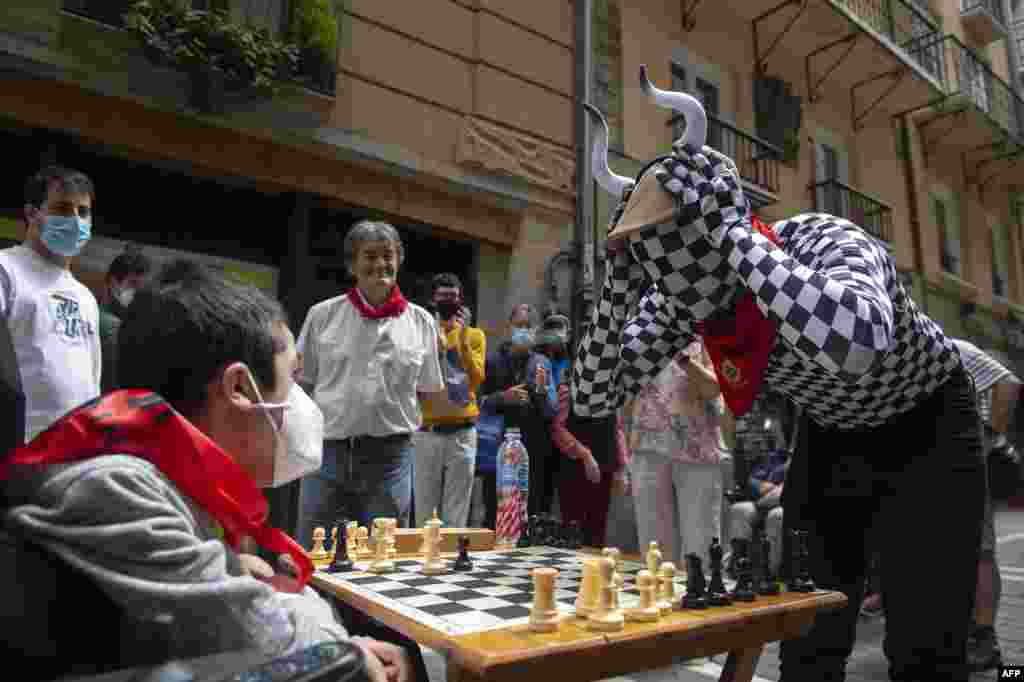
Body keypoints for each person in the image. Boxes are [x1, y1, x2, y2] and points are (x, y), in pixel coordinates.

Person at [574, 88, 986, 681]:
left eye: (675, 245)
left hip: (927, 426)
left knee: (926, 648)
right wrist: (616, 291)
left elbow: (857, 343)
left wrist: (736, 238)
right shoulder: (683, 302)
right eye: (650, 258)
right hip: (832, 438)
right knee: (805, 643)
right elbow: (593, 398)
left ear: (719, 219)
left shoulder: (822, 239)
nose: (667, 275)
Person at [0, 260, 410, 682]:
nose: (304, 404)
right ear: (238, 388)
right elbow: (286, 644)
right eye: (294, 378)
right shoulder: (117, 490)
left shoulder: (166, 484)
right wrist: (322, 624)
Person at [296, 220, 444, 539]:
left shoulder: (421, 323)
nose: (380, 264)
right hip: (327, 456)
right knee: (314, 553)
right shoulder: (322, 316)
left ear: (399, 260)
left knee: (384, 560)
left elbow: (430, 393)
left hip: (391, 461)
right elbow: (301, 386)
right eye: (370, 255)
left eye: (388, 255)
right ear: (352, 265)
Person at [0, 166, 101, 442]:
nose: (75, 221)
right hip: (19, 449)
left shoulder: (85, 297)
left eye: (83, 212)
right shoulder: (6, 269)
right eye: (63, 209)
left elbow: (93, 380)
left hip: (77, 451)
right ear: (33, 214)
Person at [951, 339, 1021, 672]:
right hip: (941, 464)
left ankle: (984, 637)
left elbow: (1007, 382)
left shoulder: (952, 348)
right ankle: (967, 629)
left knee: (980, 549)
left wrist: (990, 437)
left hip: (968, 461)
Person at [622, 341, 725, 567]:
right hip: (647, 446)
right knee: (654, 548)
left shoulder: (705, 334)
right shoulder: (641, 334)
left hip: (697, 448)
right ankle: (658, 598)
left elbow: (715, 388)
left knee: (701, 542)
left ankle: (701, 593)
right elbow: (624, 396)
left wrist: (683, 358)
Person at [414, 272, 486, 527]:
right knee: (424, 510)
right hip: (427, 432)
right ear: (433, 300)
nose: (449, 302)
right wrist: (434, 343)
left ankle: (454, 560)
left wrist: (463, 339)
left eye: (453, 297)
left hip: (462, 433)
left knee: (456, 512)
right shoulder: (421, 334)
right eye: (443, 297)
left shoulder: (475, 335)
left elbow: (476, 380)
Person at [476, 307, 556, 527]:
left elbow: (551, 412)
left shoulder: (542, 363)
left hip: (532, 454)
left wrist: (540, 391)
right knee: (494, 515)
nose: (523, 330)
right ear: (508, 327)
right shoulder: (491, 361)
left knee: (528, 516)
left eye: (528, 326)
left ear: (536, 330)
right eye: (518, 325)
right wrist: (503, 397)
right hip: (496, 450)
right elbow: (476, 404)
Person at [551, 374, 628, 548]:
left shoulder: (612, 389)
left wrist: (622, 469)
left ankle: (594, 574)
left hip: (605, 467)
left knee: (597, 532)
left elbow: (618, 429)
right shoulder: (568, 389)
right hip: (574, 470)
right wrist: (585, 454)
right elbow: (557, 428)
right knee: (574, 533)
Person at [99, 248, 152, 394]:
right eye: (133, 284)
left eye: (142, 288)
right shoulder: (111, 326)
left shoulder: (132, 324)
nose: (137, 293)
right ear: (113, 282)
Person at [728, 449, 788, 576]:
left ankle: (770, 571)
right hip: (762, 500)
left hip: (785, 503)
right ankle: (740, 565)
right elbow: (753, 480)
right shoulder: (774, 456)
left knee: (775, 516)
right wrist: (763, 487)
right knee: (740, 510)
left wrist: (772, 494)